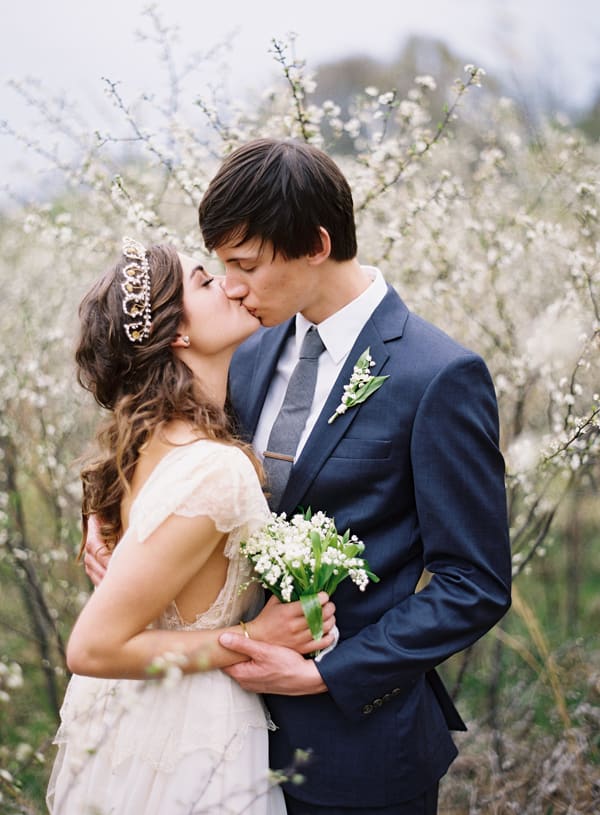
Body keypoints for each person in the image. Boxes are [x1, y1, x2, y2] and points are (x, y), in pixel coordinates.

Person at [87, 139, 512, 815]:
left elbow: (474, 584)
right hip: (223, 738)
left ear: (315, 244)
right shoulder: (243, 346)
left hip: (360, 752)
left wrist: (324, 673)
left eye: (246, 265)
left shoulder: (438, 376)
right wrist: (105, 512)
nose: (230, 285)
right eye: (222, 266)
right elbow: (161, 432)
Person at [47, 238, 337, 815]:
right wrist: (254, 639)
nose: (230, 285)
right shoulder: (214, 467)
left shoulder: (145, 443)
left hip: (141, 721)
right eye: (205, 281)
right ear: (177, 333)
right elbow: (92, 647)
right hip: (193, 733)